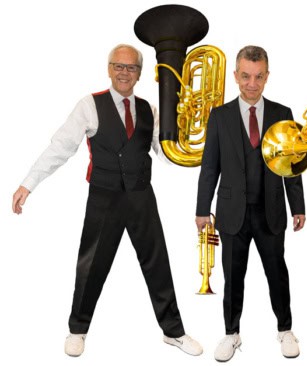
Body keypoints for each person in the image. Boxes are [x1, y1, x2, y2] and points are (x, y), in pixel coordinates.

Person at [10, 44, 202, 357]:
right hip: (104, 195)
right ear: (109, 68)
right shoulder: (89, 105)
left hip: (141, 195)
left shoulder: (149, 110)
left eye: (131, 68)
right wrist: (28, 184)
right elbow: (60, 147)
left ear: (140, 73)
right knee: (91, 265)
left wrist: (195, 147)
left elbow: (165, 155)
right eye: (119, 66)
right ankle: (78, 330)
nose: (125, 73)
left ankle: (173, 332)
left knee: (158, 263)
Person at [195, 45, 306, 363]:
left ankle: (285, 329)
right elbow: (209, 166)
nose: (252, 83)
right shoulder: (219, 116)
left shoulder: (282, 114)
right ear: (235, 76)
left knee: (277, 273)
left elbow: (291, 164)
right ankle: (231, 334)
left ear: (267, 76)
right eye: (245, 76)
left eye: (258, 77)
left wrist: (297, 205)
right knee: (233, 277)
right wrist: (203, 209)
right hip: (231, 212)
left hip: (270, 209)